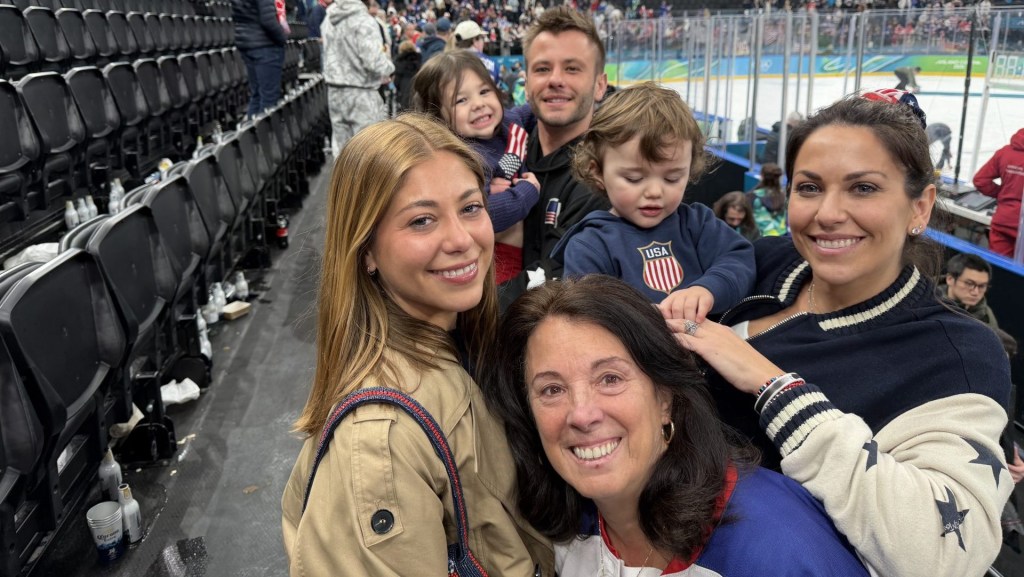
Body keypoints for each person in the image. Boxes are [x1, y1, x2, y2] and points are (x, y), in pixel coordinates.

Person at [666, 92, 1014, 577]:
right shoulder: (768, 261)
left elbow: (945, 553)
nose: (827, 213)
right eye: (809, 187)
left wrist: (775, 388)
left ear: (921, 207)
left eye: (863, 188)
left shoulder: (956, 354)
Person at [280, 114, 552, 576]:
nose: (462, 240)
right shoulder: (379, 441)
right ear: (365, 250)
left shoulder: (462, 337)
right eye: (422, 221)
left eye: (470, 208)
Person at [483, 276, 870, 577]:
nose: (581, 414)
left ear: (665, 399)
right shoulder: (556, 527)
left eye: (610, 379)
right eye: (551, 389)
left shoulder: (777, 545)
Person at [552, 82, 754, 320]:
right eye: (634, 178)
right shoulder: (590, 244)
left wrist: (707, 289)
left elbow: (739, 260)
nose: (655, 191)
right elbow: (591, 316)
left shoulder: (698, 224)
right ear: (598, 172)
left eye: (672, 178)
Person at [501, 6, 612, 309]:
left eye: (572, 68)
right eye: (542, 69)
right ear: (527, 81)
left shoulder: (608, 175)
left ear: (600, 85)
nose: (555, 80)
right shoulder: (502, 150)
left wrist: (465, 312)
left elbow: (559, 281)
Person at [412, 50, 540, 284]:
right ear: (437, 116)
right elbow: (482, 215)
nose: (479, 104)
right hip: (491, 261)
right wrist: (525, 192)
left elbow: (533, 110)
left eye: (484, 91)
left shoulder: (509, 123)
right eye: (461, 100)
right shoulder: (460, 158)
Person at [321, 0, 394, 156]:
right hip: (362, 92)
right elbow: (374, 62)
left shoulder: (329, 19)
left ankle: (342, 181)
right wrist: (390, 67)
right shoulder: (364, 21)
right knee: (367, 150)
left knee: (342, 151)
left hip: (335, 91)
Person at [973, 127, 1024, 258]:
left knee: (999, 269)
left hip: (1003, 220)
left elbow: (980, 180)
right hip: (1018, 224)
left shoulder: (1005, 152)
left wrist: (1003, 194)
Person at [232, 0, 289, 117]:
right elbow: (268, 21)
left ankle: (251, 133)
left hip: (247, 43)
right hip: (265, 45)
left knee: (257, 95)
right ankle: (266, 134)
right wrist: (283, 37)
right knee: (269, 99)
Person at [936, 252, 999, 329]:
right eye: (969, 284)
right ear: (950, 279)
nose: (975, 292)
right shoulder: (927, 300)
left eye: (982, 286)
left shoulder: (986, 315)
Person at [747, 162, 788, 237]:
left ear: (762, 176)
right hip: (782, 235)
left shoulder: (753, 196)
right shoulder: (784, 196)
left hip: (761, 237)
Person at [392, 40, 421, 112]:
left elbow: (396, 82)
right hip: (416, 89)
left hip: (403, 90)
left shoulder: (398, 63)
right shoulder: (419, 60)